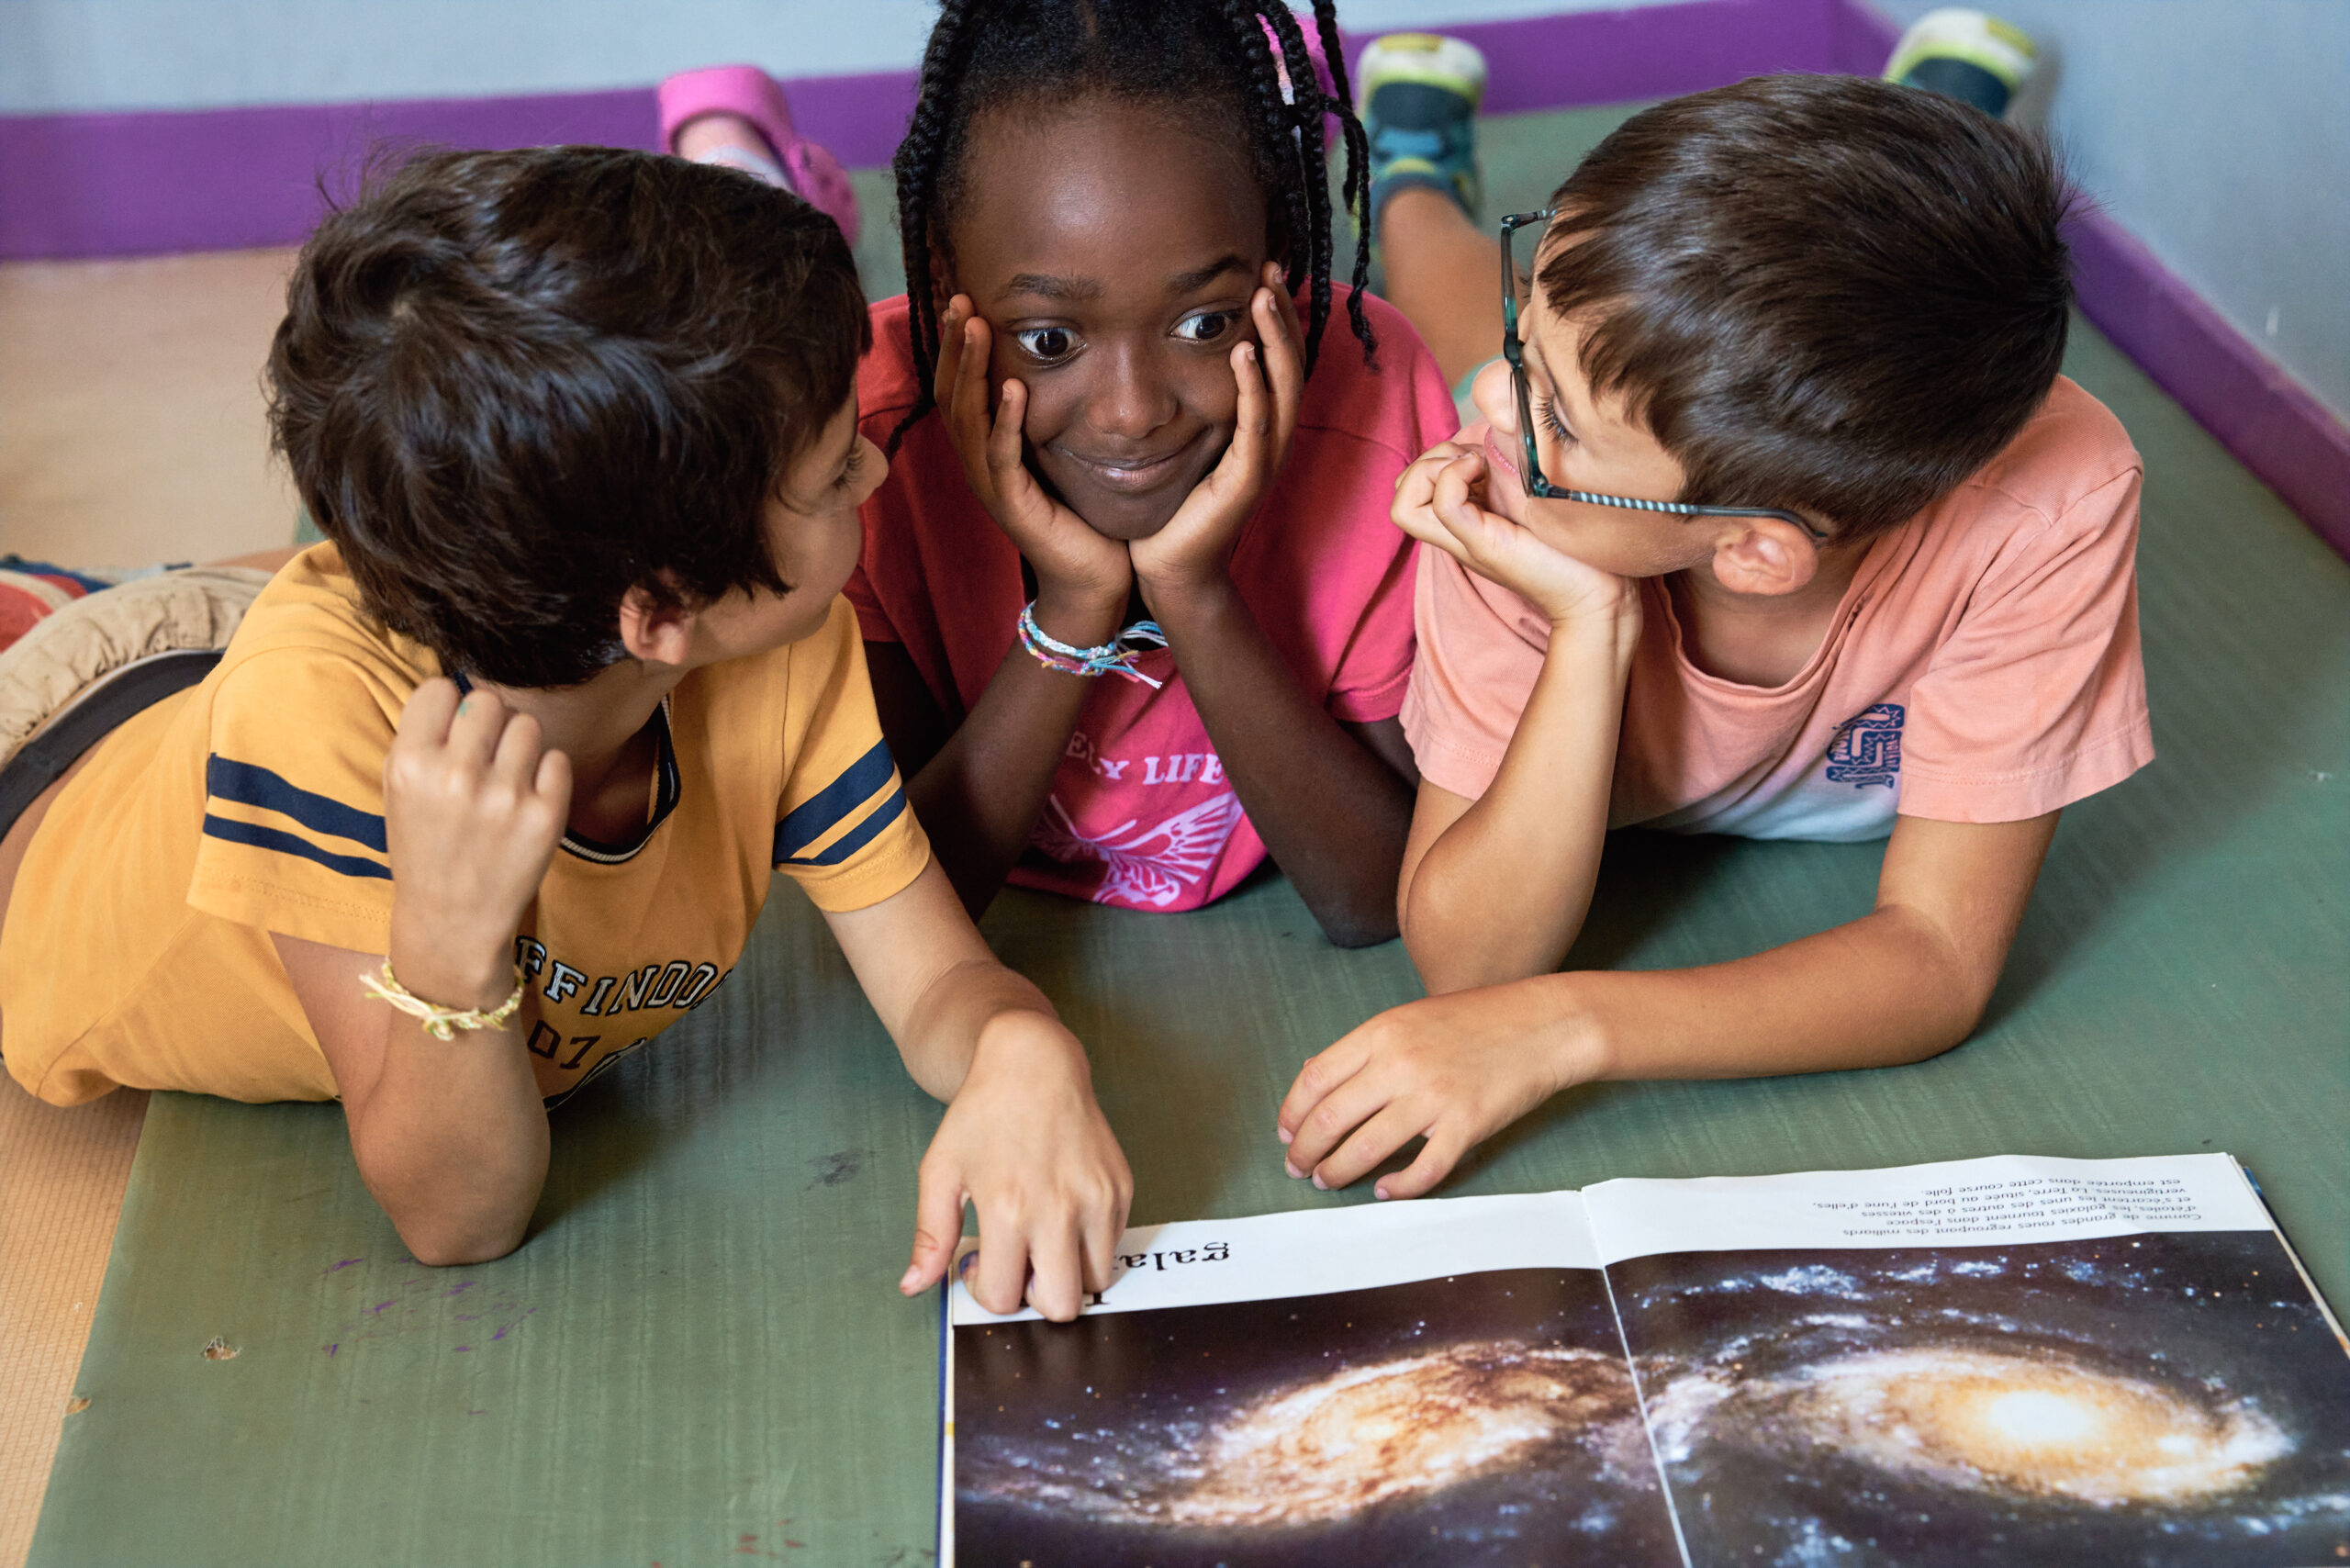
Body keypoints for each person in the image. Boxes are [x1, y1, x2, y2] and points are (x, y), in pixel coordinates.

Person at [0, 147, 1129, 1321]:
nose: (881, 465)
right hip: (50, 750)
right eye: (835, 467)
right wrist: (448, 943)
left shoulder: (781, 643)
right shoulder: (322, 737)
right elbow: (458, 1217)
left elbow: (936, 972)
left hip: (329, 618)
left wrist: (1020, 1049)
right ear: (664, 613)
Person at [1276, 66, 2152, 1198]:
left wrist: (1565, 1029)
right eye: (1528, 339)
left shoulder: (2056, 501)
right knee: (1448, 328)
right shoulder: (1503, 478)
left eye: (1555, 422)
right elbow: (1467, 958)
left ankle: (1938, 99)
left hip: (1780, 466)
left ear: (1750, 552)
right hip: (1706, 461)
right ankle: (1409, 166)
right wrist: (1586, 623)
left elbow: (1934, 959)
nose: (1501, 411)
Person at [663, 2, 1459, 944]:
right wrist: (1074, 610)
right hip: (848, 344)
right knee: (732, 333)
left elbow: (1376, 894)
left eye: (1203, 322)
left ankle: (1414, 166)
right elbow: (890, 912)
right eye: (1048, 340)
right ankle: (747, 164)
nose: (1131, 412)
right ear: (939, 284)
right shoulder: (858, 449)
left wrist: (1190, 591)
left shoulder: (1366, 403)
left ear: (1276, 267)